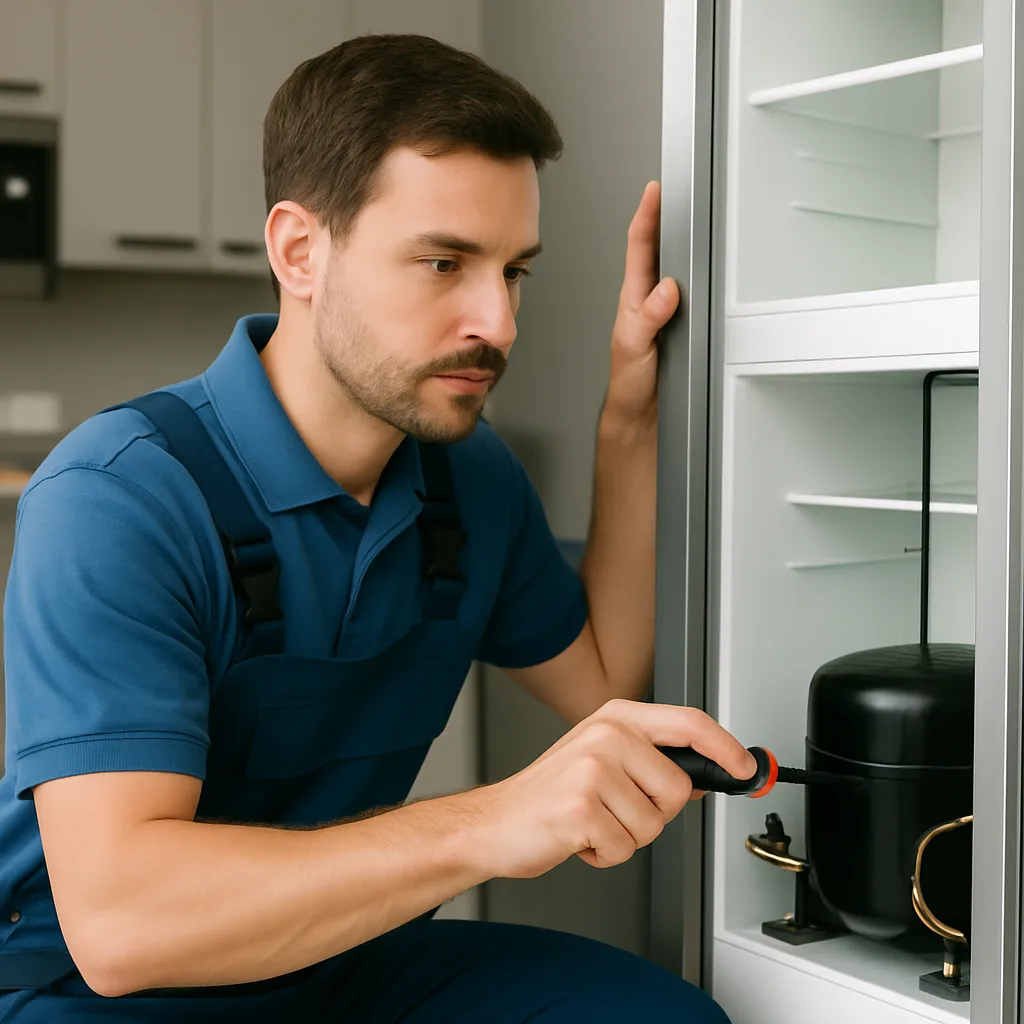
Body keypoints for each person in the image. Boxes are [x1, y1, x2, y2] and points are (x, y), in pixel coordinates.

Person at [0, 33, 752, 1022]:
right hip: (99, 989)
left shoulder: (469, 478)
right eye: (444, 262)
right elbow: (122, 928)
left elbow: (604, 680)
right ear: (299, 252)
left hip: (342, 958)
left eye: (513, 272)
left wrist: (631, 412)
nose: (498, 322)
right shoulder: (119, 496)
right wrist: (492, 822)